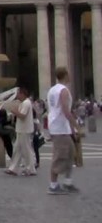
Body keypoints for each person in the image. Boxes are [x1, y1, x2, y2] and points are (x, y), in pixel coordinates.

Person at [46, 67, 78, 195]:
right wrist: (76, 125)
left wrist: (71, 129)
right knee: (59, 157)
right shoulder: (63, 90)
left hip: (58, 126)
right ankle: (53, 185)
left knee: (70, 153)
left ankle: (68, 183)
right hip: (59, 128)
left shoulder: (52, 90)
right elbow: (65, 110)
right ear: (65, 75)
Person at [5, 87, 36, 176]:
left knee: (26, 149)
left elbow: (22, 115)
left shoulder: (26, 103)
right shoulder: (24, 103)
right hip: (21, 129)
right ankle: (13, 168)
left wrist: (14, 112)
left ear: (22, 94)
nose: (17, 95)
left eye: (18, 93)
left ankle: (30, 168)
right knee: (17, 149)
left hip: (24, 130)